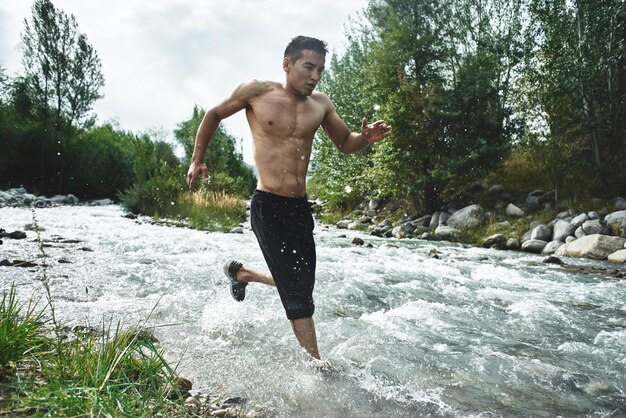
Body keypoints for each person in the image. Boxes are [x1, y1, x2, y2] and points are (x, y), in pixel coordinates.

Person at [187, 35, 391, 360]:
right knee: (298, 297)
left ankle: (243, 274)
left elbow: (345, 142)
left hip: (299, 208)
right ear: (287, 64)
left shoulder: (321, 105)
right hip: (268, 206)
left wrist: (365, 139)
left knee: (301, 287)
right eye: (308, 67)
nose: (314, 76)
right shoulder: (257, 92)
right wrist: (198, 158)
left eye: (320, 70)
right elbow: (213, 115)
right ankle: (318, 366)